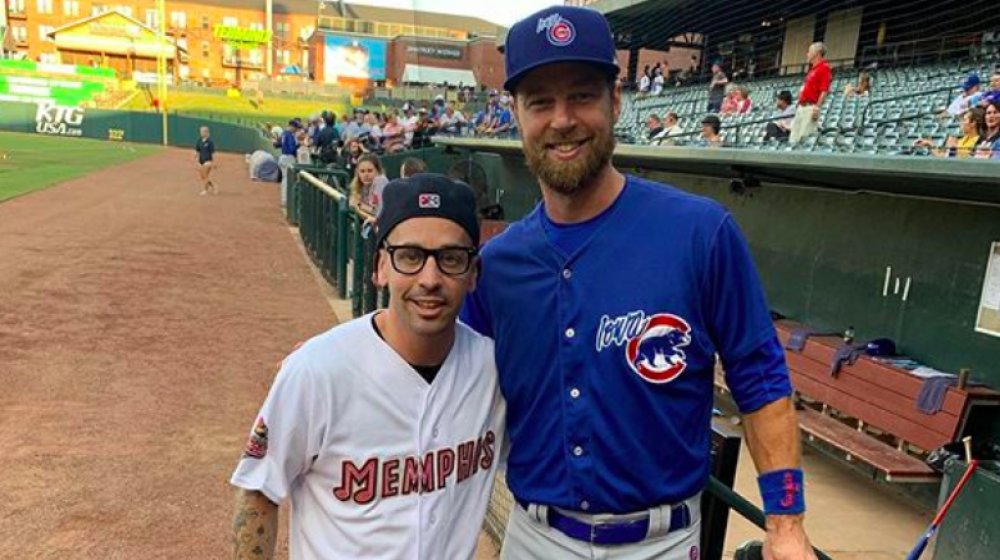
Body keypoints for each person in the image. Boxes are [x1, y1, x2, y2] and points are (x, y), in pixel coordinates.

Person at [461, 6, 816, 560]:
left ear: (615, 101)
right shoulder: (499, 264)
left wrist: (786, 522)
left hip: (665, 542)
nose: (562, 120)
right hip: (535, 539)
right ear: (515, 113)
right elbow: (444, 386)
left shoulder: (699, 233)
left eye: (581, 95)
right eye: (540, 102)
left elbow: (760, 376)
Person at [231, 173, 505, 560]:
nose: (430, 279)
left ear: (473, 274)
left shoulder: (493, 371)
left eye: (451, 259)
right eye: (409, 256)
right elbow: (259, 489)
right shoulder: (317, 370)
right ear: (380, 267)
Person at [789, 42, 832, 144]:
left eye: (809, 51)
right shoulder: (812, 69)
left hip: (810, 107)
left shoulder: (824, 68)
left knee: (804, 139)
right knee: (793, 139)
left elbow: (824, 90)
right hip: (802, 106)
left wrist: (817, 107)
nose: (807, 54)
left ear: (816, 53)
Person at [914, 108, 983, 157]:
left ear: (973, 123)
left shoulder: (979, 141)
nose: (961, 123)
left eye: (964, 120)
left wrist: (953, 149)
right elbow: (943, 158)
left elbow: (967, 163)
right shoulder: (963, 139)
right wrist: (929, 144)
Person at [195, 125, 217, 195]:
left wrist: (214, 162)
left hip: (208, 161)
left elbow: (213, 153)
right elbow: (197, 151)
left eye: (203, 132)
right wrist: (197, 160)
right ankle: (213, 186)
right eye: (200, 131)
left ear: (206, 132)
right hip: (201, 161)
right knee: (203, 176)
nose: (201, 133)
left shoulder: (210, 142)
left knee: (205, 174)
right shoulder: (199, 141)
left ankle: (205, 190)